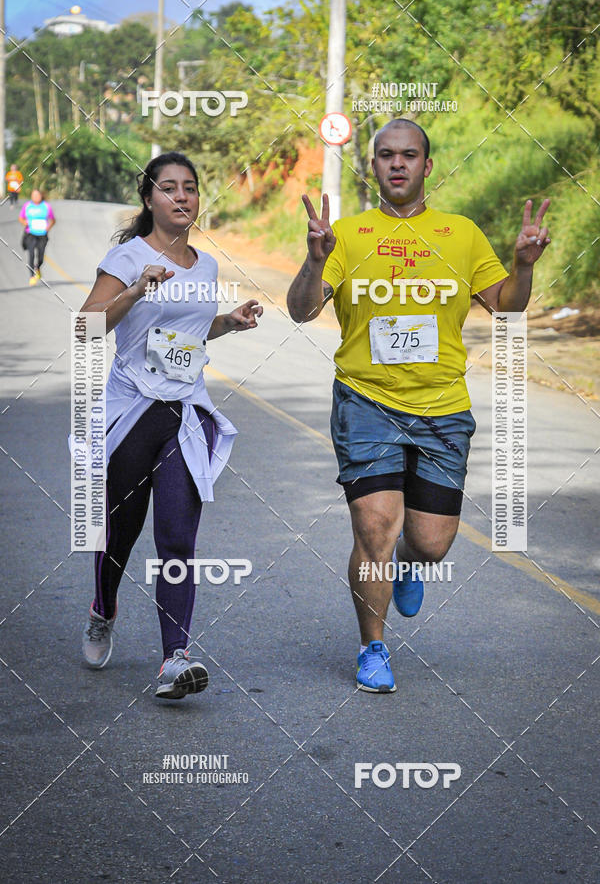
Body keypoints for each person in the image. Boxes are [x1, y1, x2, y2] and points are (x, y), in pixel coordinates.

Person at [287, 118, 550, 693]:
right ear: (373, 166)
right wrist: (314, 260)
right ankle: (373, 647)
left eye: (409, 155)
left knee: (431, 544)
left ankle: (408, 562)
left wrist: (524, 267)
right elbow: (301, 311)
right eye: (386, 155)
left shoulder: (461, 234)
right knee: (375, 527)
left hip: (441, 409)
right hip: (366, 402)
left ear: (428, 166)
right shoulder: (347, 236)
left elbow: (506, 309)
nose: (398, 164)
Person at [78, 151, 263, 699]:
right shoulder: (127, 258)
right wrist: (136, 290)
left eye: (190, 188)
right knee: (120, 534)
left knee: (178, 539)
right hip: (132, 414)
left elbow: (189, 332)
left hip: (184, 415)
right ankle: (102, 609)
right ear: (149, 199)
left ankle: (174, 658)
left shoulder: (204, 266)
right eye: (169, 188)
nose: (182, 197)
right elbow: (86, 329)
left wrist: (227, 322)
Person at [18, 189, 55, 285]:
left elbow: (53, 220)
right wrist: (25, 222)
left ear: (41, 196)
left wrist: (47, 228)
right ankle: (31, 276)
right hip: (30, 233)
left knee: (41, 256)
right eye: (33, 195)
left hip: (42, 234)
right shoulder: (27, 206)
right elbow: (21, 218)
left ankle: (37, 267)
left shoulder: (46, 206)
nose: (35, 197)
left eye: (37, 195)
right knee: (31, 254)